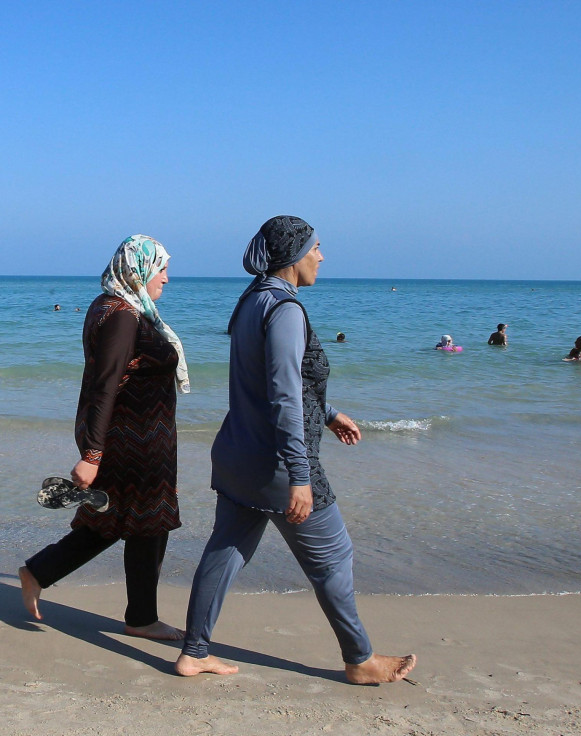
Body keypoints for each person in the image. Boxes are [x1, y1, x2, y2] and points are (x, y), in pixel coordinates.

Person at [175, 215, 416, 685]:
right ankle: (361, 659)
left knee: (225, 551)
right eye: (317, 247)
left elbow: (272, 382)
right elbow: (284, 394)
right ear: (294, 254)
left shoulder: (252, 299)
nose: (322, 257)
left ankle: (194, 652)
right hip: (279, 464)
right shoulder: (285, 309)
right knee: (334, 557)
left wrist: (329, 412)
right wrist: (301, 477)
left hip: (237, 455)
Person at [18, 235, 190, 641]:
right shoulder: (123, 315)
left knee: (119, 519)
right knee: (142, 522)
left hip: (142, 440)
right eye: (161, 268)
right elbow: (104, 385)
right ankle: (140, 617)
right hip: (133, 443)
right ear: (138, 270)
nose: (167, 277)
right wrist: (92, 454)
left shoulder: (112, 306)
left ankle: (43, 574)